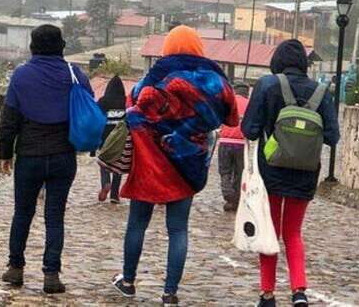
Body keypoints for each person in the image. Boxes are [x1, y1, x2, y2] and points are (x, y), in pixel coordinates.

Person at [111, 26, 238, 307]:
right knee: (178, 229)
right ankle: (170, 293)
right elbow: (232, 118)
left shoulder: (158, 73)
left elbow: (134, 98)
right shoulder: (215, 78)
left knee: (137, 223)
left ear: (168, 47)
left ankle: (128, 281)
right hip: (188, 163)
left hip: (150, 162)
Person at [241, 39, 340, 307]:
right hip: (305, 174)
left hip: (270, 172)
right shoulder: (322, 91)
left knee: (269, 232)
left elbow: (248, 129)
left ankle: (268, 294)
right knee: (293, 233)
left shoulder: (267, 85)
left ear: (277, 61)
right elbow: (333, 136)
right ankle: (299, 291)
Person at [0, 24, 94, 294]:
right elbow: (87, 105)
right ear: (61, 46)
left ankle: (15, 268)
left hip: (29, 155)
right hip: (64, 156)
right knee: (55, 217)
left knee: (23, 213)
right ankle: (51, 274)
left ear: (32, 47)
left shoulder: (21, 76)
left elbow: (9, 120)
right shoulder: (75, 74)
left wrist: (5, 153)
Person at [218, 84, 250, 212]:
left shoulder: (227, 102)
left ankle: (228, 195)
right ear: (246, 93)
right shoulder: (250, 104)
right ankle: (236, 199)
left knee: (225, 171)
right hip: (241, 143)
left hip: (225, 141)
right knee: (239, 172)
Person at [96, 75, 127, 204]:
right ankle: (114, 194)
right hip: (121, 138)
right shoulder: (126, 101)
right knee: (118, 165)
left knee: (103, 161)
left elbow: (96, 117)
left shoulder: (103, 101)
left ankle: (105, 182)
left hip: (105, 137)